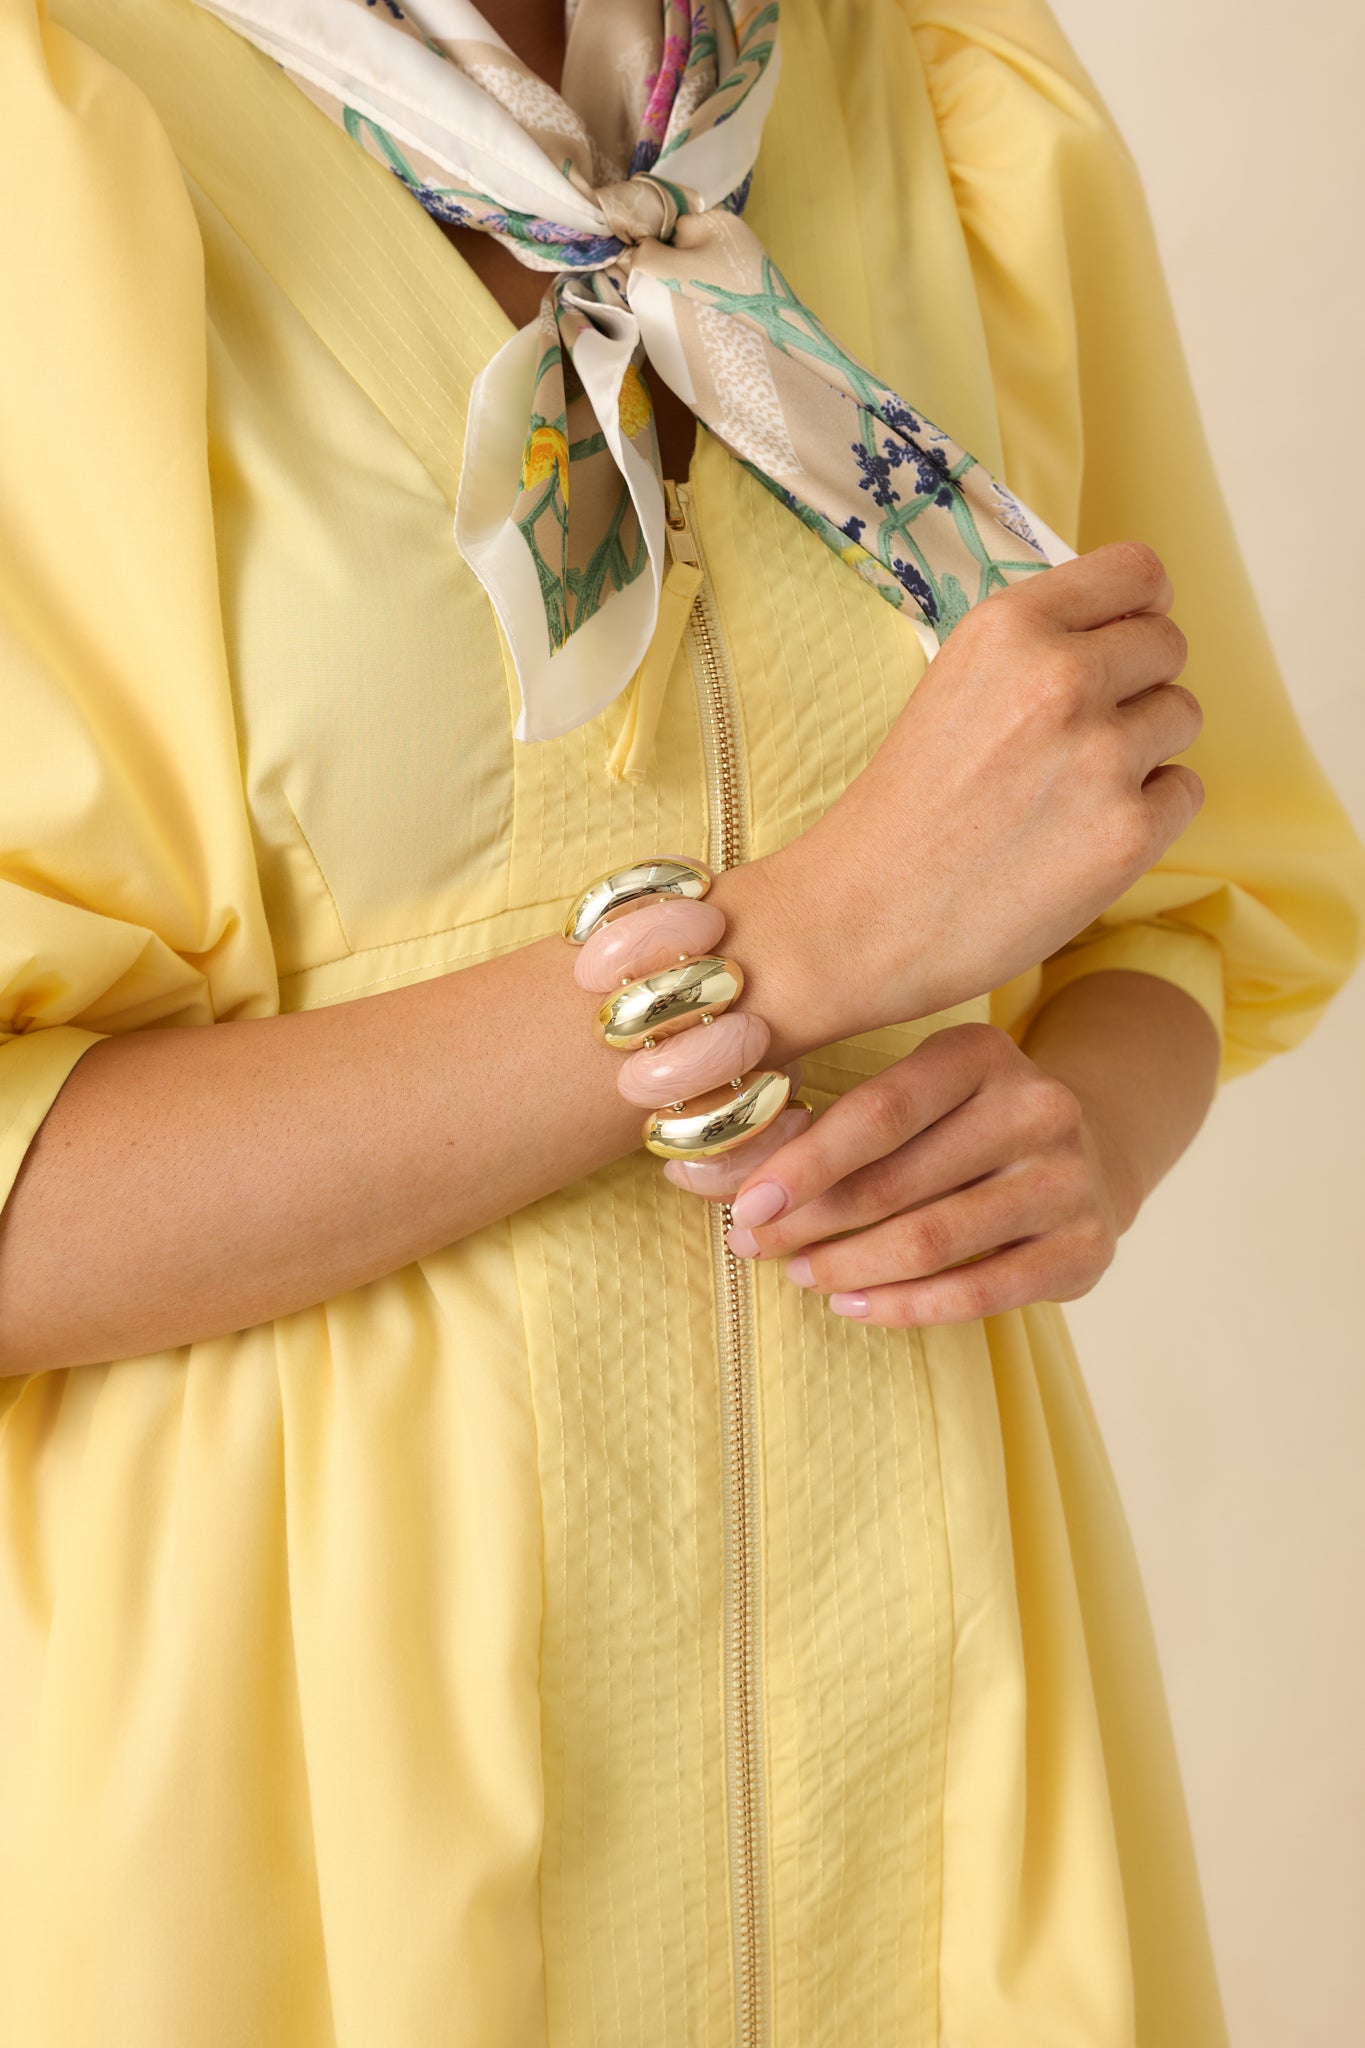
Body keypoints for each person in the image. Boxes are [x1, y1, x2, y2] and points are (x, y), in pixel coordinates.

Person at [1, 0, 1361, 2042]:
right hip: (289, 1806)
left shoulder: (930, 85)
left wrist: (1083, 1118)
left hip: (938, 1742)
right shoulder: (50, 132)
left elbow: (1176, 877)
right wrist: (779, 952)